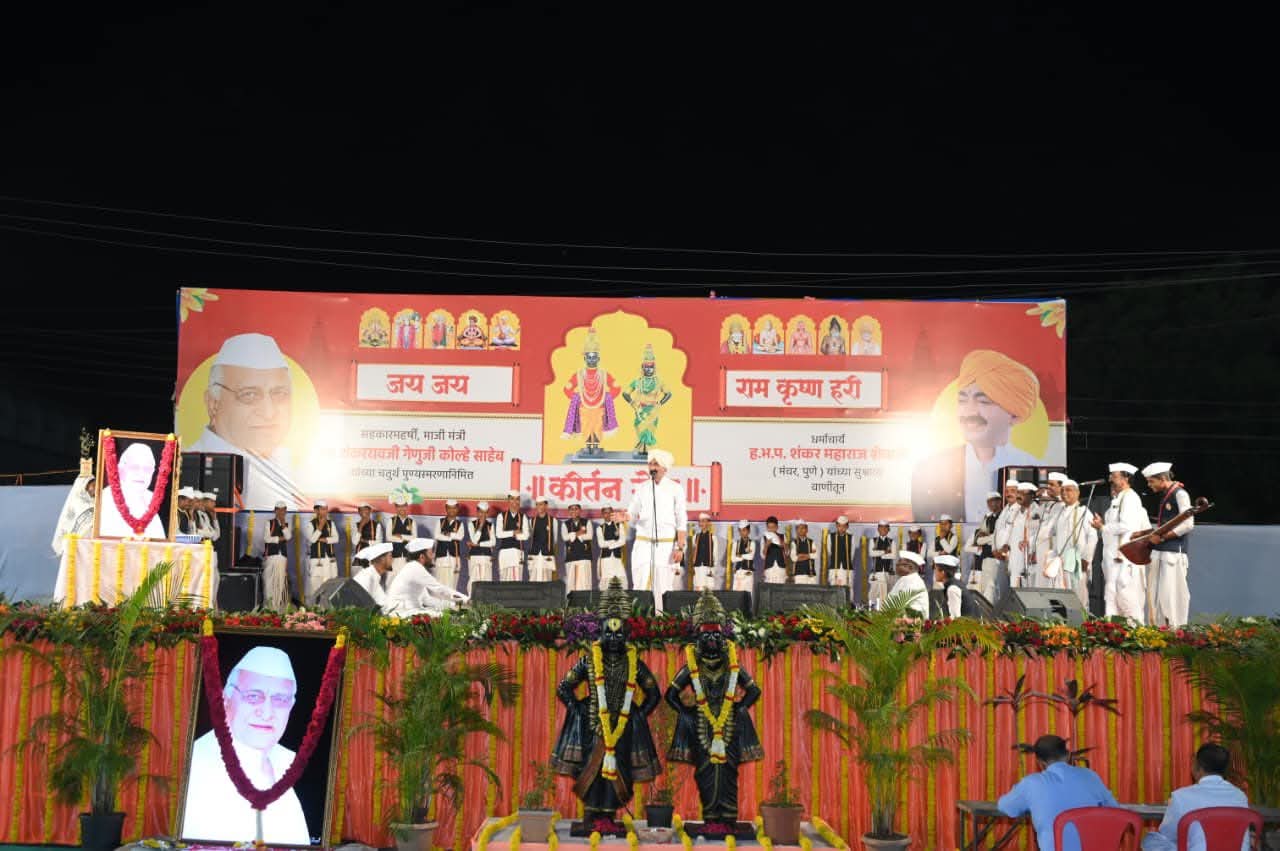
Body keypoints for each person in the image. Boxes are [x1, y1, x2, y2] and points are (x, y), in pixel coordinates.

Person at [551, 579, 662, 829]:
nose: (613, 638)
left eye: (618, 633)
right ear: (600, 633)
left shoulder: (634, 663)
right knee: (592, 769)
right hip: (593, 725)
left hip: (622, 729)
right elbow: (563, 687)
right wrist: (578, 708)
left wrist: (637, 715)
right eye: (608, 633)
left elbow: (654, 694)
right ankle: (592, 816)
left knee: (618, 770)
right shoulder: (588, 660)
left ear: (627, 635)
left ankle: (609, 817)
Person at [180, 646, 311, 845]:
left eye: (280, 700)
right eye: (253, 696)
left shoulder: (287, 763)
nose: (267, 713)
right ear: (225, 700)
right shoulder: (195, 765)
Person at [911, 349, 1044, 523]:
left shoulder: (1032, 469)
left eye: (983, 401)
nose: (969, 412)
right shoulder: (928, 470)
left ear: (1014, 414)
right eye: (962, 400)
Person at [666, 592, 763, 825]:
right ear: (698, 639)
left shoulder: (732, 665)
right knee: (705, 772)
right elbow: (670, 694)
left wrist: (739, 708)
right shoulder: (692, 667)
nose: (711, 639)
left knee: (729, 771)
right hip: (702, 724)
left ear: (723, 638)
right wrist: (686, 712)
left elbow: (754, 691)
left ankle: (728, 818)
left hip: (729, 724)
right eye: (706, 634)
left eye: (716, 634)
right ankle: (711, 818)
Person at [187, 333, 300, 510]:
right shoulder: (191, 467)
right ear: (213, 403)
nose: (269, 413)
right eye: (249, 395)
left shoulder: (293, 467)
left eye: (279, 394)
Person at [997, 735, 1118, 851]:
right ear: (1068, 755)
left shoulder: (1031, 783)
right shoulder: (1091, 776)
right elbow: (1114, 809)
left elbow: (1005, 806)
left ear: (1039, 761)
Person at [1142, 743, 1250, 851]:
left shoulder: (1181, 797)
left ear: (1197, 766)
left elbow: (1168, 835)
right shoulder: (1240, 796)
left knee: (1152, 841)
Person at [619, 449, 687, 612]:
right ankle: (640, 619)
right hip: (643, 543)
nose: (652, 467)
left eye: (656, 464)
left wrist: (680, 547)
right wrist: (626, 516)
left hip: (665, 546)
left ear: (664, 467)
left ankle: (661, 620)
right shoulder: (642, 487)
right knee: (640, 581)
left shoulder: (675, 488)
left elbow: (681, 520)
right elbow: (632, 511)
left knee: (663, 584)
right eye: (650, 464)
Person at [1090, 462, 1150, 622]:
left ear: (1126, 478)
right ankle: (1113, 632)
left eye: (1114, 476)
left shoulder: (1130, 498)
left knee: (1127, 599)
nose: (1110, 479)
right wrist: (1102, 525)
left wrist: (1103, 527)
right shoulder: (1118, 499)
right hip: (1112, 559)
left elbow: (1126, 526)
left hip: (1124, 558)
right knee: (1112, 599)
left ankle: (1136, 633)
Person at [1141, 462, 1194, 628]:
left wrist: (1162, 538)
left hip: (1173, 554)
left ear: (1163, 479)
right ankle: (1159, 632)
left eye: (1151, 481)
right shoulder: (1165, 495)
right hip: (1160, 553)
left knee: (1172, 596)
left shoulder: (1180, 494)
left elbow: (1188, 525)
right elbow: (1165, 525)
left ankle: (1176, 633)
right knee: (1157, 597)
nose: (1149, 485)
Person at [562, 327, 620, 457]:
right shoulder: (578, 375)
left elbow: (616, 388)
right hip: (584, 408)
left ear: (598, 358)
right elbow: (567, 389)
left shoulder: (604, 374)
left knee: (597, 427)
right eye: (589, 357)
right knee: (586, 427)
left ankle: (596, 446)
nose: (592, 360)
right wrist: (577, 398)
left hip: (599, 407)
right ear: (585, 358)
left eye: (594, 357)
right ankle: (588, 446)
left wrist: (606, 397)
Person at [1044, 480, 1098, 608]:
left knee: (1078, 599)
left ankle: (1082, 621)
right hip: (1060, 561)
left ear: (1077, 493)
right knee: (1061, 599)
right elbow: (1050, 534)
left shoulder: (1083, 511)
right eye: (1062, 490)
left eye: (1068, 490)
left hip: (1077, 560)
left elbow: (1093, 536)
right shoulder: (1059, 512)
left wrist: (1086, 559)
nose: (1064, 493)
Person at [97, 442, 166, 539]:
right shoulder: (104, 498)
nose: (141, 474)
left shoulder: (151, 499)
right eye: (135, 467)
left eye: (147, 469)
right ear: (121, 469)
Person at [384, 538, 469, 616]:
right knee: (442, 616)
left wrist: (453, 605)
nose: (433, 556)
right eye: (430, 553)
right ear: (422, 557)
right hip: (400, 612)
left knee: (441, 615)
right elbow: (439, 588)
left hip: (407, 610)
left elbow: (427, 600)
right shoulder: (415, 568)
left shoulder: (414, 567)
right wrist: (466, 600)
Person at [621, 344, 673, 458]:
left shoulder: (659, 381)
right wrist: (633, 403)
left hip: (653, 411)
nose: (649, 369)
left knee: (650, 431)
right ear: (642, 367)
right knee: (640, 430)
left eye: (651, 367)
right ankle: (641, 450)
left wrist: (660, 403)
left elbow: (669, 394)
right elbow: (625, 393)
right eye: (646, 367)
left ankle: (649, 451)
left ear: (654, 368)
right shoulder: (638, 381)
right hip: (640, 410)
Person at [996, 483, 1040, 590]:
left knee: (1028, 588)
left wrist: (1030, 544)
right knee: (1014, 587)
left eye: (1023, 493)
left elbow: (1038, 534)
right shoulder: (1015, 511)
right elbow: (1009, 530)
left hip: (1028, 557)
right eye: (1019, 492)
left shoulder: (1036, 511)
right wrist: (1005, 544)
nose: (1019, 495)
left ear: (1032, 496)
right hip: (1014, 557)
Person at [965, 492, 1004, 600]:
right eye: (989, 502)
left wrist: (989, 538)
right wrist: (989, 538)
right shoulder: (988, 518)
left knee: (994, 588)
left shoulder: (1004, 516)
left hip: (997, 557)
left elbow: (999, 537)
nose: (991, 504)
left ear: (999, 502)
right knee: (986, 589)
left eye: (993, 501)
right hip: (986, 558)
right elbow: (978, 539)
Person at [52, 474, 96, 556]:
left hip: (92, 547)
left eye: (96, 485)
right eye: (93, 485)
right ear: (84, 487)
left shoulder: (97, 501)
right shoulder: (77, 502)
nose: (95, 489)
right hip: (78, 547)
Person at [305, 501, 338, 604]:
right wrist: (320, 526)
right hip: (317, 559)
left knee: (329, 584)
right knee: (316, 586)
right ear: (316, 510)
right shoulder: (311, 524)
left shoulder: (331, 523)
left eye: (326, 509)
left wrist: (325, 539)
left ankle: (327, 608)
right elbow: (312, 539)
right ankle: (315, 608)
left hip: (329, 559)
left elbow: (336, 538)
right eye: (323, 509)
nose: (325, 512)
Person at [262, 501, 292, 609]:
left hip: (282, 558)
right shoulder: (269, 523)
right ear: (275, 511)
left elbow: (288, 537)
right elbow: (266, 538)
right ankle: (269, 608)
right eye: (279, 510)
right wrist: (280, 539)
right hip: (271, 557)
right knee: (269, 583)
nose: (281, 512)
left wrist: (283, 524)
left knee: (279, 584)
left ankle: (277, 608)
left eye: (283, 510)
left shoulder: (286, 525)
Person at [495, 492, 529, 581]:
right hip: (504, 552)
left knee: (516, 579)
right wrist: (514, 532)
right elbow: (499, 534)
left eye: (517, 499)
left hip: (517, 552)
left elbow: (526, 536)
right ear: (508, 500)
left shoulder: (523, 517)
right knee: (503, 578)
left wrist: (507, 534)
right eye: (512, 499)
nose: (515, 502)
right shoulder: (501, 516)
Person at [433, 499, 465, 590]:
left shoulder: (460, 524)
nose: (452, 510)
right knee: (440, 581)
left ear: (457, 509)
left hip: (454, 557)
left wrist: (448, 534)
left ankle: (451, 599)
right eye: (449, 508)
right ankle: (439, 599)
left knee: (452, 582)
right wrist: (452, 537)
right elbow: (437, 535)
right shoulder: (440, 522)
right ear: (446, 509)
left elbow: (460, 537)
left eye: (454, 508)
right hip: (441, 556)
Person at [384, 496, 418, 582]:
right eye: (399, 506)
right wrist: (406, 539)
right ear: (396, 507)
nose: (401, 509)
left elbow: (414, 538)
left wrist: (401, 536)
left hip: (407, 557)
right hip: (394, 557)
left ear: (406, 506)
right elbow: (388, 537)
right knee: (391, 580)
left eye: (403, 506)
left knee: (406, 580)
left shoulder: (412, 521)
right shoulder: (391, 521)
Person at [562, 502, 594, 592]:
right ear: (569, 511)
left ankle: (585, 600)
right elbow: (565, 537)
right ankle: (570, 600)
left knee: (585, 581)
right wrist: (579, 533)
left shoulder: (587, 522)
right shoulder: (565, 524)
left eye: (576, 509)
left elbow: (589, 536)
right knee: (571, 581)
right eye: (572, 509)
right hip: (571, 556)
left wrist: (572, 535)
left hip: (584, 555)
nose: (574, 511)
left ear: (580, 510)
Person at [351, 542, 393, 609]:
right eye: (390, 556)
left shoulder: (374, 576)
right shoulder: (366, 577)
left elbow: (383, 603)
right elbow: (359, 605)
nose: (392, 560)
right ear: (382, 559)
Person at [825, 515, 856, 601]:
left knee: (848, 587)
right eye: (839, 526)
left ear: (847, 526)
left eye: (844, 526)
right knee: (834, 587)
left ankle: (848, 605)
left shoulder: (851, 537)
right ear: (836, 525)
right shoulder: (830, 537)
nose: (841, 528)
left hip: (847, 568)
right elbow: (830, 552)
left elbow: (852, 554)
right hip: (834, 567)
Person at [889, 551, 928, 618]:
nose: (896, 565)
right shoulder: (904, 579)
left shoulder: (915, 582)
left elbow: (908, 610)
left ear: (910, 567)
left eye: (900, 563)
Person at [866, 521, 897, 606]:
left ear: (888, 529)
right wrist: (885, 552)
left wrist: (880, 554)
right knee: (873, 593)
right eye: (881, 527)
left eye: (885, 528)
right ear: (878, 529)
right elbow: (871, 553)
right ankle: (872, 610)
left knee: (886, 594)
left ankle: (884, 611)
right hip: (876, 572)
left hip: (888, 572)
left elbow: (893, 555)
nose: (883, 529)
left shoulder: (892, 542)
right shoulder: (873, 540)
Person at [596, 505, 628, 588]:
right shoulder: (600, 528)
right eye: (605, 513)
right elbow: (601, 544)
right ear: (602, 514)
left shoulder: (619, 525)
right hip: (605, 558)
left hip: (617, 557)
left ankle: (620, 595)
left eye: (610, 513)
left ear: (613, 513)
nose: (608, 515)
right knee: (606, 579)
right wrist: (614, 541)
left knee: (621, 577)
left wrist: (609, 544)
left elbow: (623, 541)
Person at [467, 501, 495, 593]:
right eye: (481, 512)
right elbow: (474, 540)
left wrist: (479, 544)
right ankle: (472, 598)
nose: (483, 515)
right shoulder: (471, 524)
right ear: (477, 512)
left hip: (486, 556)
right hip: (474, 556)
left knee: (486, 579)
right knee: (473, 579)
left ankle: (485, 600)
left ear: (488, 513)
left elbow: (493, 542)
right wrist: (481, 526)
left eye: (485, 512)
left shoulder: (490, 525)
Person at [527, 497, 557, 582]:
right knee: (533, 579)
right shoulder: (531, 521)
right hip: (534, 554)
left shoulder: (553, 521)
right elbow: (529, 538)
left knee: (547, 579)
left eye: (541, 504)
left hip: (547, 555)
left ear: (546, 506)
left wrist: (547, 547)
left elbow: (555, 539)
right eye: (537, 504)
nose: (539, 506)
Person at [689, 513, 719, 592]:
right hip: (698, 567)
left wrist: (713, 569)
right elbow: (694, 552)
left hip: (708, 567)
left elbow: (715, 554)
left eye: (703, 521)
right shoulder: (695, 537)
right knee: (698, 588)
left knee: (708, 589)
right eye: (700, 521)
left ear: (708, 523)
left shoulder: (713, 537)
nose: (701, 523)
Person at [933, 554, 963, 619]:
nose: (934, 572)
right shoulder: (954, 584)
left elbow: (955, 617)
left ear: (943, 572)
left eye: (935, 569)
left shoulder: (952, 589)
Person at [729, 520, 755, 593]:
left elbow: (751, 557)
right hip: (738, 572)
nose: (742, 532)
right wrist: (744, 556)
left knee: (748, 594)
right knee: (736, 595)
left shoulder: (752, 543)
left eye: (744, 530)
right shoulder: (735, 543)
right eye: (740, 530)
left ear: (748, 531)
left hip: (748, 572)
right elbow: (733, 559)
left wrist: (740, 555)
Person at [760, 516, 787, 584]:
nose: (771, 529)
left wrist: (784, 545)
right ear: (767, 527)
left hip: (780, 567)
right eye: (769, 527)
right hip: (769, 568)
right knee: (769, 587)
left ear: (777, 527)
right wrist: (766, 545)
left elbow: (787, 553)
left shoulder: (782, 537)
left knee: (780, 587)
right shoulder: (764, 538)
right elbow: (762, 556)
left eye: (773, 527)